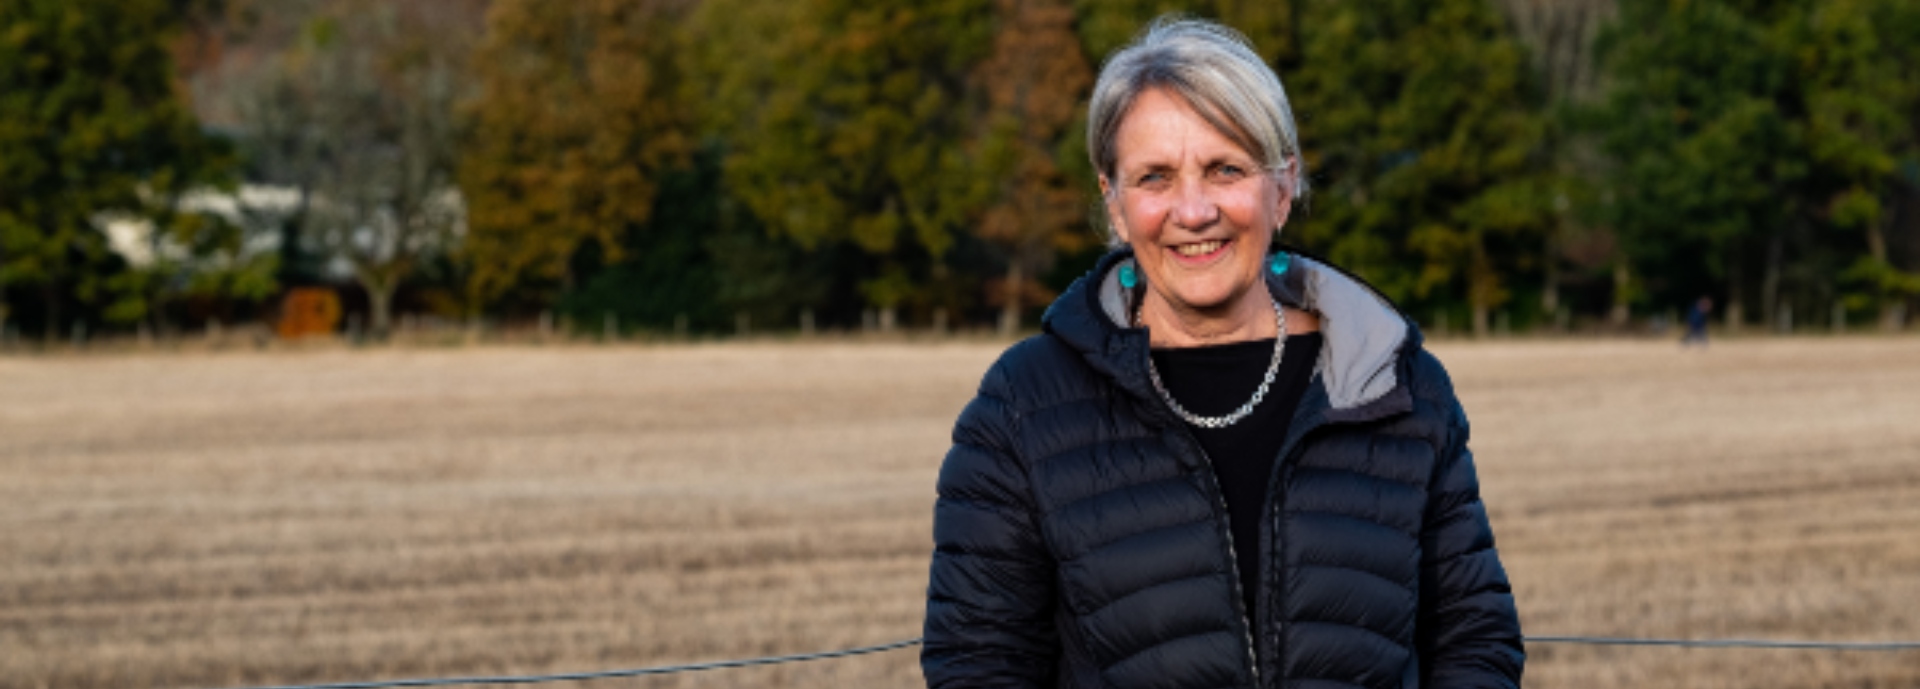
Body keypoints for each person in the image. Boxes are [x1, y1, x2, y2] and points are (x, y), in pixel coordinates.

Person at [922, 17, 1523, 689]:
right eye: (1154, 177)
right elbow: (977, 662)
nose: (1193, 209)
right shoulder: (1024, 406)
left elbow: (1476, 638)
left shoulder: (1389, 381)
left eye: (1224, 169)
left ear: (1283, 186)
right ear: (1114, 203)